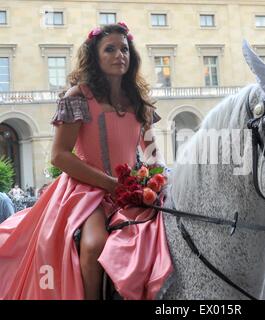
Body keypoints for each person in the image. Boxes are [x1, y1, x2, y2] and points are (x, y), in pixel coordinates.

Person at [0, 22, 173, 300]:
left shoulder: (139, 101)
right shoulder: (79, 97)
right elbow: (60, 155)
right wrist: (109, 183)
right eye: (110, 49)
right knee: (95, 245)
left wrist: (159, 178)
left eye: (125, 49)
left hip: (132, 190)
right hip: (86, 190)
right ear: (95, 56)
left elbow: (153, 156)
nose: (120, 55)